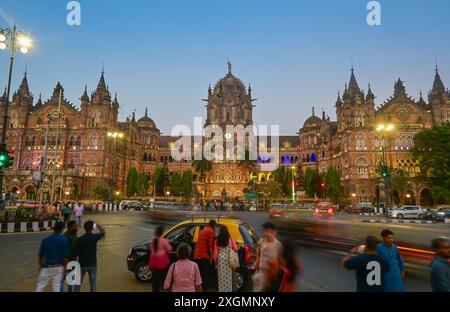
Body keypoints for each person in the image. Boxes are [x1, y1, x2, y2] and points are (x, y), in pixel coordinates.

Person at [36, 221, 69, 292]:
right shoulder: (64, 240)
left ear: (54, 228)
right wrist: (65, 270)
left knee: (40, 286)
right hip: (59, 268)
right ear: (62, 229)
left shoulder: (45, 240)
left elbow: (40, 255)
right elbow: (65, 258)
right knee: (57, 288)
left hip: (47, 267)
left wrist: (40, 267)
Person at [74, 221, 105, 292]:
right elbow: (103, 233)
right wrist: (98, 225)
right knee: (93, 284)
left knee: (77, 284)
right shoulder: (94, 237)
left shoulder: (79, 239)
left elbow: (76, 254)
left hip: (82, 264)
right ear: (92, 228)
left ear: (84, 228)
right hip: (92, 264)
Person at [254, 222, 283, 292]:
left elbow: (281, 261)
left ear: (275, 233)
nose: (267, 234)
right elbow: (258, 254)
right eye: (265, 231)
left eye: (270, 232)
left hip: (271, 276)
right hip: (260, 274)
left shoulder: (278, 245)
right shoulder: (261, 242)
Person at [193, 219, 216, 291]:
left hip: (196, 255)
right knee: (204, 276)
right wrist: (212, 258)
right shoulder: (211, 231)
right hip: (203, 256)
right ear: (213, 225)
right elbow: (210, 245)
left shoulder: (203, 230)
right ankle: (203, 290)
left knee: (198, 276)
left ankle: (198, 289)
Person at [213, 227, 238, 292]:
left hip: (220, 261)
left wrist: (215, 262)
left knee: (221, 278)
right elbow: (235, 249)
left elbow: (215, 254)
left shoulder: (217, 241)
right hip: (228, 259)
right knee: (229, 278)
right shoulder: (230, 239)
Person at [149, 226, 172, 292]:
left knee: (155, 280)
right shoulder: (164, 240)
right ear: (162, 233)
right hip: (162, 262)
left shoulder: (151, 241)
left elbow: (152, 251)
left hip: (153, 262)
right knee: (163, 280)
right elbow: (169, 249)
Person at [62, 220, 78, 292]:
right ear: (70, 227)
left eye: (76, 226)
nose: (76, 227)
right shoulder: (64, 237)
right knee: (62, 278)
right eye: (75, 226)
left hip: (73, 260)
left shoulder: (75, 234)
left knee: (71, 279)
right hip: (65, 261)